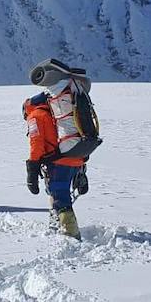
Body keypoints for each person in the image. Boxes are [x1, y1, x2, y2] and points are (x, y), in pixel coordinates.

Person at [24, 58, 100, 240]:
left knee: (59, 194)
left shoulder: (35, 116)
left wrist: (32, 170)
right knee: (56, 192)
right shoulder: (55, 108)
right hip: (76, 155)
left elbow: (36, 144)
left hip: (59, 160)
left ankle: (70, 235)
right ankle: (55, 226)